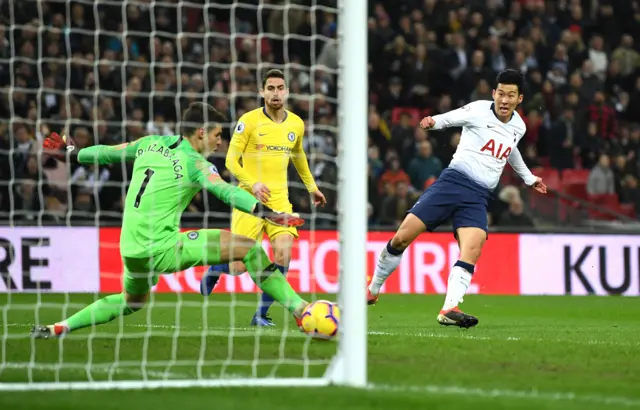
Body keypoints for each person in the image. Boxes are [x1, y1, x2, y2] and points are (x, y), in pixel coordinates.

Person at [31, 102, 308, 339]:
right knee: (250, 249)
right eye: (217, 134)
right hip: (162, 248)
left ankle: (60, 327)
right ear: (201, 132)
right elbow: (226, 190)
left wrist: (71, 153)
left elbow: (106, 152)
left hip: (130, 249)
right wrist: (266, 213)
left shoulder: (148, 144)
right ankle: (300, 310)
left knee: (131, 301)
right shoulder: (195, 163)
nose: (219, 141)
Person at [367, 70, 547, 328]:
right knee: (402, 237)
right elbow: (452, 118)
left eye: (511, 95)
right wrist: (433, 122)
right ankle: (373, 288)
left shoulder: (519, 126)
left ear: (520, 98)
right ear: (494, 93)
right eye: (501, 94)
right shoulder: (478, 110)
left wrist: (529, 178)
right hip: (452, 183)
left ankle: (449, 308)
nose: (504, 100)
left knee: (472, 249)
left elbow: (511, 150)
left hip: (479, 196)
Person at [200, 69, 326, 327]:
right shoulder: (248, 121)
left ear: (287, 91)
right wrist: (253, 184)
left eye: (280, 88)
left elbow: (298, 156)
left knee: (282, 256)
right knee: (238, 267)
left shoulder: (296, 124)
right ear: (262, 92)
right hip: (249, 201)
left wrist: (311, 187)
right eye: (270, 88)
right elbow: (230, 161)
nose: (276, 93)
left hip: (280, 202)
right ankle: (216, 269)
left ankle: (262, 314)